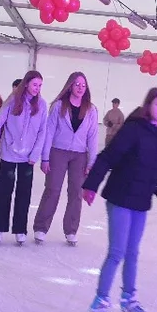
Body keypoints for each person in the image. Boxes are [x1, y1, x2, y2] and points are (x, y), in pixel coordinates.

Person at [82, 88, 157, 312]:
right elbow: (108, 157)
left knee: (133, 253)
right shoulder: (133, 130)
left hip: (140, 203)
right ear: (148, 106)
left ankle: (128, 301)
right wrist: (91, 185)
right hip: (120, 197)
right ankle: (99, 305)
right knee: (117, 252)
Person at [33, 72, 99, 246]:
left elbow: (93, 137)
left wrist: (92, 162)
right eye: (77, 84)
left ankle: (71, 230)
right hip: (58, 152)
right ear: (70, 85)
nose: (80, 88)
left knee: (76, 192)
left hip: (80, 155)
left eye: (83, 85)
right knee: (53, 189)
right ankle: (41, 227)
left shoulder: (91, 110)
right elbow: (49, 132)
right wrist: (45, 158)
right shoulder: (58, 106)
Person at [0, 71, 48, 246]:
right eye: (35, 84)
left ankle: (20, 230)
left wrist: (35, 154)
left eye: (40, 85)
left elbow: (42, 131)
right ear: (27, 84)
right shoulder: (12, 101)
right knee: (4, 192)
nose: (37, 88)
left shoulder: (42, 105)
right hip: (9, 153)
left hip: (28, 158)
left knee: (24, 194)